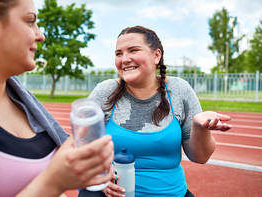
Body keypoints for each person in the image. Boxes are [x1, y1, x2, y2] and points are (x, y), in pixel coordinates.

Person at [0, 0, 114, 196]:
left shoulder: (20, 101)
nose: (40, 35)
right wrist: (54, 182)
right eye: (30, 21)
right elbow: (50, 181)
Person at [78, 26, 232, 197]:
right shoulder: (104, 92)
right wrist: (99, 176)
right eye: (118, 53)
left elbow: (201, 157)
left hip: (171, 193)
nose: (125, 59)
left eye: (133, 50)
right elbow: (81, 147)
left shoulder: (179, 90)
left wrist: (199, 127)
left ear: (156, 55)